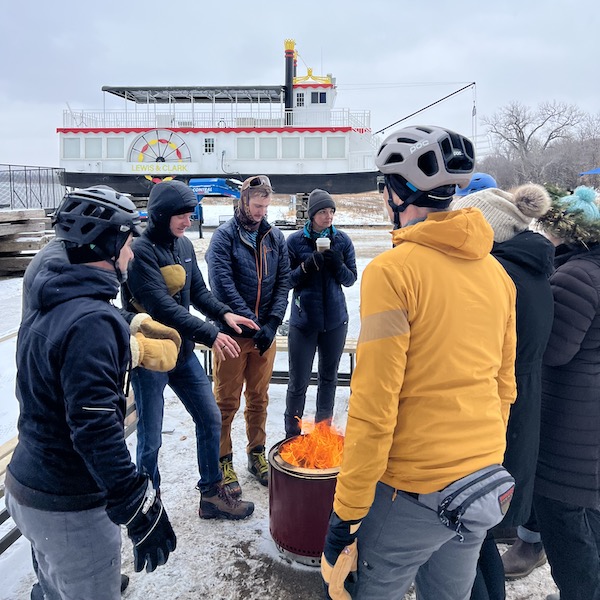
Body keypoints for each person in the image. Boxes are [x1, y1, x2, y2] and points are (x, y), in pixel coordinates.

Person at [321, 125, 518, 600]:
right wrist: (485, 456)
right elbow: (504, 386)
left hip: (412, 489)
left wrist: (345, 513)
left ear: (396, 192)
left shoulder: (393, 272)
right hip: (482, 483)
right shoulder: (497, 273)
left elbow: (374, 405)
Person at [6, 187, 177, 600]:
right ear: (109, 243)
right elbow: (95, 429)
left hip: (28, 484)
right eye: (128, 243)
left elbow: (70, 337)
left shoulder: (49, 282)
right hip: (69, 503)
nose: (132, 254)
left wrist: (126, 324)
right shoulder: (91, 324)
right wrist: (138, 507)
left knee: (53, 582)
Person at [122, 179, 256, 520]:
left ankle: (211, 494)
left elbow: (198, 292)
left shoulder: (182, 247)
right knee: (150, 437)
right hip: (152, 355)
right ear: (161, 214)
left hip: (181, 353)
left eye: (190, 214)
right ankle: (147, 505)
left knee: (209, 417)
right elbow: (163, 307)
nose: (188, 221)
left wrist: (224, 313)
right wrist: (210, 334)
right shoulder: (140, 251)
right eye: (181, 215)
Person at [452, 184, 555, 600]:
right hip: (517, 409)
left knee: (466, 540)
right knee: (477, 538)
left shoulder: (501, 277)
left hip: (498, 414)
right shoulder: (528, 268)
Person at [533, 186, 600, 600]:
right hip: (589, 421)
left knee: (569, 537)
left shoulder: (575, 274)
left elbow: (554, 350)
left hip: (569, 433)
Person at [205, 175, 290, 495]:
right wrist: (255, 324)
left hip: (264, 336)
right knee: (226, 402)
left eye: (266, 206)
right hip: (232, 335)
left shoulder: (275, 237)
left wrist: (273, 322)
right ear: (243, 201)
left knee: (259, 398)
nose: (261, 212)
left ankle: (256, 453)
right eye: (256, 206)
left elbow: (283, 282)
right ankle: (222, 459)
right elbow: (222, 286)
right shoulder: (224, 238)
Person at [284, 188, 357, 437]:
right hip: (304, 323)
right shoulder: (294, 242)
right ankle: (292, 435)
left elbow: (350, 279)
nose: (328, 216)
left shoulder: (342, 241)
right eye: (323, 212)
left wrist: (337, 264)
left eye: (332, 211)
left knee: (328, 380)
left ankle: (322, 434)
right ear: (312, 214)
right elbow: (286, 281)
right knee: (298, 383)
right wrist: (307, 266)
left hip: (336, 322)